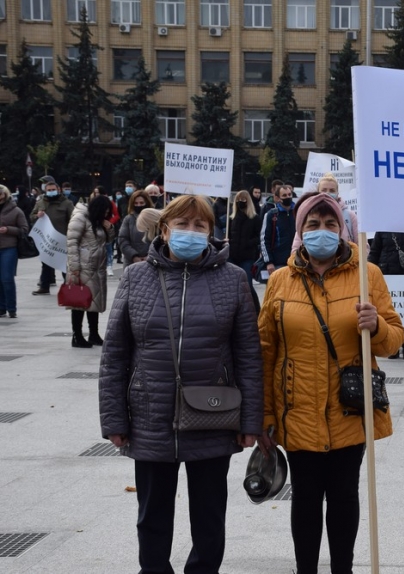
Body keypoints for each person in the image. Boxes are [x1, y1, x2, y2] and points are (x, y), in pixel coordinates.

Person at [99, 194, 262, 573]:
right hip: (150, 414)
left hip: (214, 416)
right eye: (183, 224)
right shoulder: (137, 276)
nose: (190, 232)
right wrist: (114, 420)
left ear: (210, 233)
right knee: (152, 516)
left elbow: (249, 356)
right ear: (165, 229)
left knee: (209, 518)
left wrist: (251, 421)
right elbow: (115, 354)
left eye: (200, 226)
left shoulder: (233, 279)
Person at [257, 192, 404, 573]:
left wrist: (378, 325)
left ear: (343, 229)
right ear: (300, 231)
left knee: (343, 496)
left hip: (349, 409)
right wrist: (264, 414)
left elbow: (394, 339)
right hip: (297, 409)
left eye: (330, 224)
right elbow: (265, 350)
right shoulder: (280, 281)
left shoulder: (366, 275)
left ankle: (344, 568)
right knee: (305, 497)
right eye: (313, 224)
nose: (322, 231)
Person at [65, 195, 115, 348]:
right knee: (79, 301)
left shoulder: (98, 221)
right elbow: (72, 242)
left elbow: (108, 240)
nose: (107, 213)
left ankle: (93, 333)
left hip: (96, 266)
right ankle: (77, 336)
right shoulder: (80, 217)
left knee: (94, 301)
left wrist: (110, 228)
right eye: (105, 210)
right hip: (82, 266)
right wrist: (74, 267)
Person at [31, 176, 75, 295]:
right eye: (48, 190)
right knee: (46, 264)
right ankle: (44, 286)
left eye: (52, 189)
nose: (51, 192)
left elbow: (74, 219)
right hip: (46, 239)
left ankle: (68, 288)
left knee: (64, 265)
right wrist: (37, 216)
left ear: (58, 189)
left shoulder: (66, 203)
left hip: (62, 239)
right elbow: (32, 216)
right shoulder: (41, 202)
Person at [228, 190, 262, 312]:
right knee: (231, 285)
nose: (240, 202)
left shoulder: (255, 218)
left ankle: (255, 310)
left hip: (247, 256)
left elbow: (259, 236)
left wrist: (248, 243)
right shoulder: (232, 218)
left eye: (243, 199)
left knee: (247, 285)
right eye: (238, 200)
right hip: (232, 255)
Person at [0, 185, 29, 319]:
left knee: (7, 278)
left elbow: (24, 229)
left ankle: (11, 308)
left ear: (5, 195)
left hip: (9, 248)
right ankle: (1, 307)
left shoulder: (16, 210)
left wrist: (8, 230)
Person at [260, 185, 296, 276]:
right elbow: (264, 240)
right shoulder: (271, 215)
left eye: (289, 194)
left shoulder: (298, 212)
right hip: (277, 263)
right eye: (284, 195)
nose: (288, 197)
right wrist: (268, 262)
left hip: (296, 261)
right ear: (277, 198)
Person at [117, 190, 155, 271]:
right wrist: (133, 256)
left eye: (141, 203)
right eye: (136, 203)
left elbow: (160, 239)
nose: (139, 205)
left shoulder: (155, 219)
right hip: (131, 262)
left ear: (147, 203)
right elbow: (122, 239)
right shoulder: (128, 219)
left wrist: (150, 256)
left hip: (152, 262)